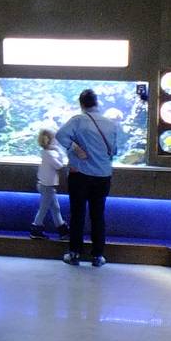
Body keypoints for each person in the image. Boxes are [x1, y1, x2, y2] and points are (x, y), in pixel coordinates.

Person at [54, 88, 121, 268]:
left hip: (80, 175)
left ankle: (74, 253)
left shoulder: (77, 121)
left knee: (78, 214)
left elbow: (59, 135)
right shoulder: (110, 124)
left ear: (81, 104)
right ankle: (98, 255)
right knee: (98, 215)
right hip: (103, 176)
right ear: (97, 102)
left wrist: (75, 148)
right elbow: (114, 150)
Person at [30, 127, 68, 240]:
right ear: (51, 140)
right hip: (47, 186)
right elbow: (59, 165)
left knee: (55, 208)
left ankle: (62, 230)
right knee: (44, 208)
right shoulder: (50, 154)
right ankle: (36, 229)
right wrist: (59, 150)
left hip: (45, 185)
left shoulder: (46, 153)